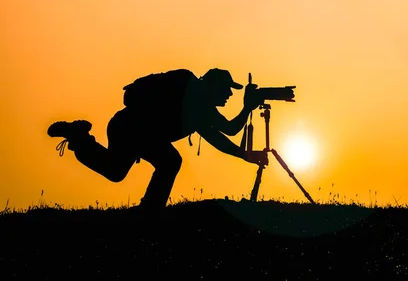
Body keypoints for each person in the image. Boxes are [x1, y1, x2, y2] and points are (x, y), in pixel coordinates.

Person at [47, 67, 267, 212]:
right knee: (169, 161)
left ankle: (79, 137)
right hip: (130, 128)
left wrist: (246, 149)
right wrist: (247, 109)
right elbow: (225, 133)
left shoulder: (201, 105)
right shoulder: (198, 103)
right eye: (227, 89)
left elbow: (225, 133)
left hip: (130, 128)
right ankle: (151, 209)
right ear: (213, 87)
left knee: (115, 171)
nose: (229, 95)